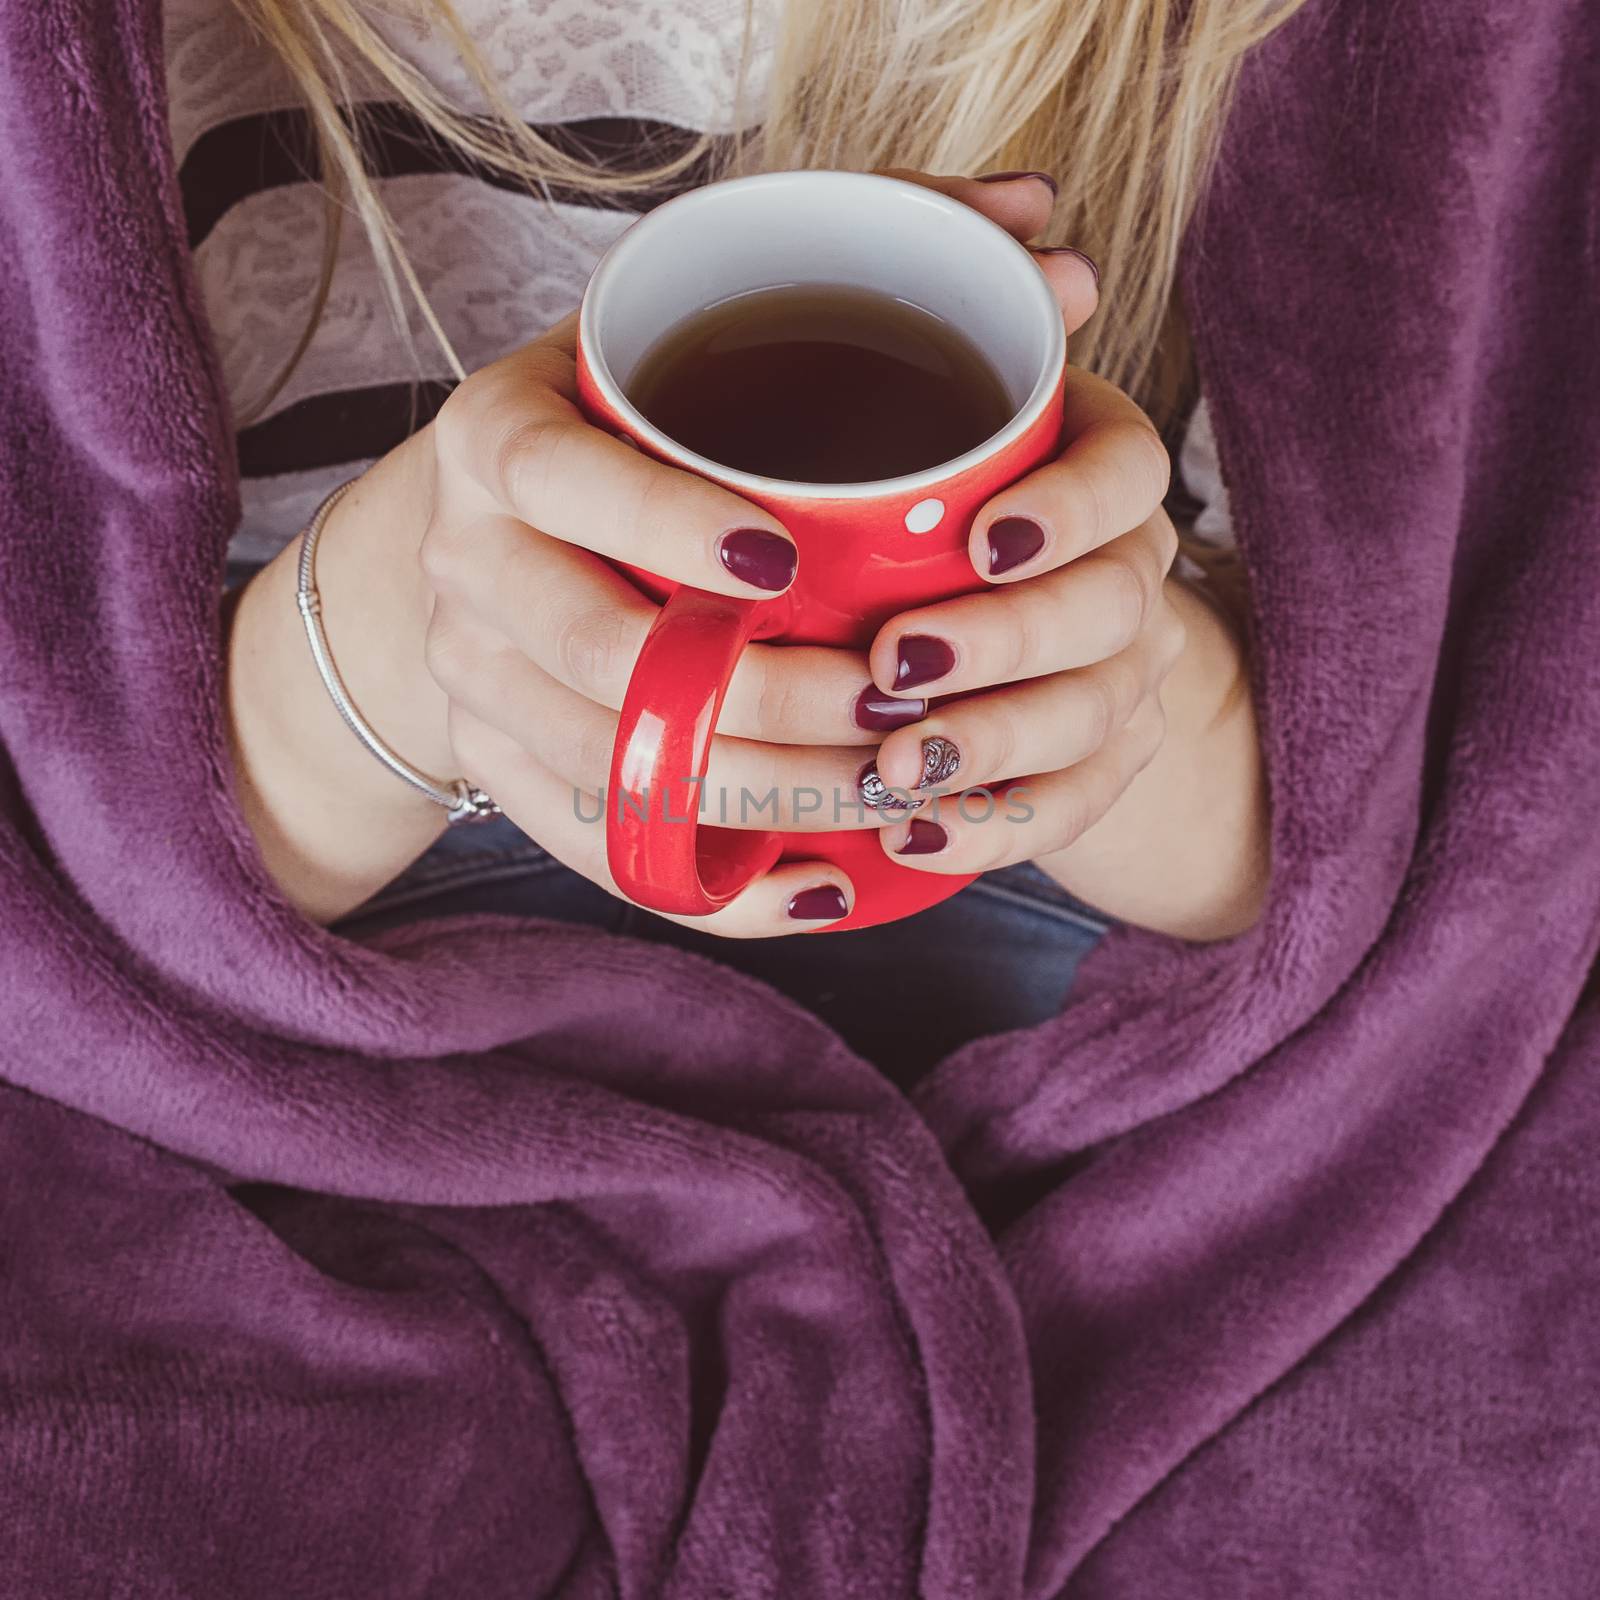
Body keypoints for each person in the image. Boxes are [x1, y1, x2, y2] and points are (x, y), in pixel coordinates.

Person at [178, 0, 1278, 1076]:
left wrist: (1090, 686)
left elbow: (1330, 855)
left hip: (1054, 887)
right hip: (349, 880)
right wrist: (426, 614)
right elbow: (75, 909)